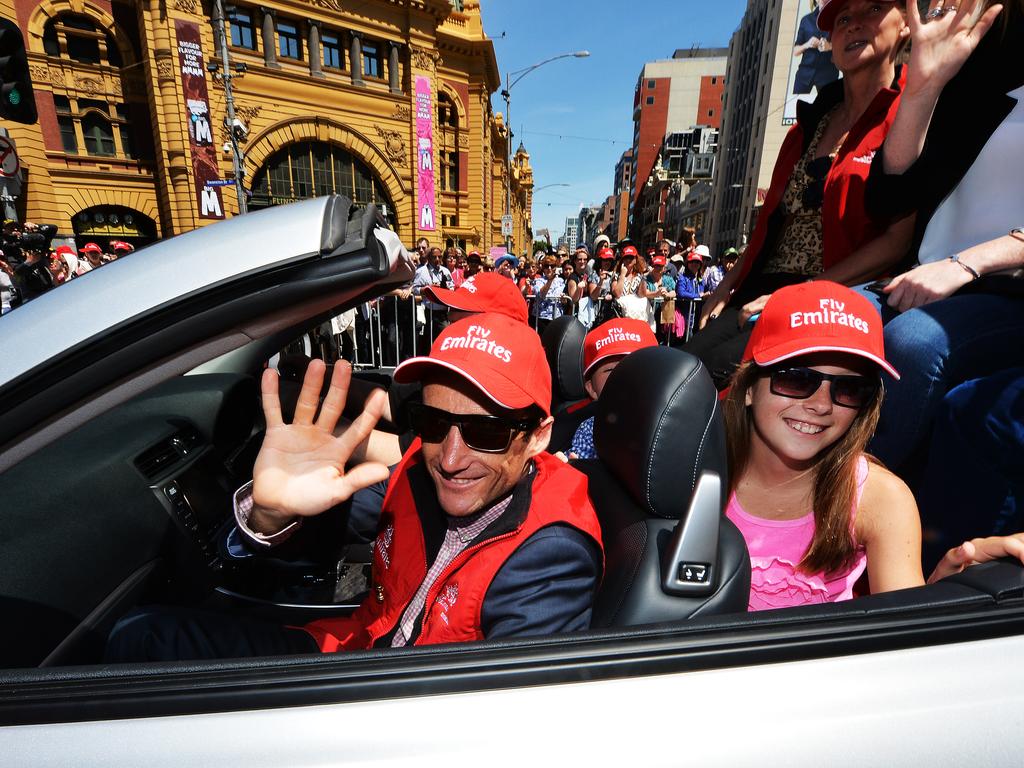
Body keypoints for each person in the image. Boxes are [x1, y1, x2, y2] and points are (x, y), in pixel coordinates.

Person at [106, 314, 604, 661]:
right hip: (350, 648)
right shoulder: (419, 468)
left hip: (383, 706)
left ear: (539, 436)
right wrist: (268, 517)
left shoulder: (550, 552)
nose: (451, 459)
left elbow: (495, 729)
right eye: (433, 421)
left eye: (487, 432)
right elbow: (314, 540)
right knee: (142, 636)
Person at [721, 281, 1024, 611]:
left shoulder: (878, 497)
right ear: (748, 387)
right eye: (796, 379)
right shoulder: (687, 469)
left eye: (850, 389)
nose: (821, 405)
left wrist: (950, 580)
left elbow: (905, 634)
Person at [687, 0, 916, 387]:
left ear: (907, 24)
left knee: (716, 381)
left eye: (873, 9)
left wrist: (802, 295)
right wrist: (726, 286)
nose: (854, 25)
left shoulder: (911, 113)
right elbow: (767, 224)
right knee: (673, 370)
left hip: (836, 296)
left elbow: (897, 241)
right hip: (763, 288)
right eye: (843, 19)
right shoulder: (804, 128)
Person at [858, 0, 1024, 474]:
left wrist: (966, 264)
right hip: (924, 275)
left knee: (915, 344)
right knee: (801, 322)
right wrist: (923, 86)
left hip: (1003, 290)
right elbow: (889, 199)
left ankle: (859, 515)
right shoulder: (967, 51)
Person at [568, 318, 658, 460]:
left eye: (637, 367)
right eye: (611, 370)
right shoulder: (591, 430)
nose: (625, 377)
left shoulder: (671, 426)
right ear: (591, 389)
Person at [793, 0, 841, 95]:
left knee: (828, 108)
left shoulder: (837, 21)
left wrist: (830, 46)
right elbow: (795, 51)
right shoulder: (806, 20)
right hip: (805, 74)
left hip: (828, 75)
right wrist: (807, 44)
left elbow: (844, 47)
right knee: (795, 105)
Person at [412, 246, 454, 341]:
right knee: (430, 340)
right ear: (429, 257)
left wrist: (447, 289)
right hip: (430, 312)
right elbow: (415, 290)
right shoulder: (422, 271)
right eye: (434, 257)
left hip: (444, 312)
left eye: (439, 257)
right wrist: (429, 289)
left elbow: (452, 287)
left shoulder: (445, 271)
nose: (437, 259)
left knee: (444, 338)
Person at [528, 255, 567, 334]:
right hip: (541, 318)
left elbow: (564, 300)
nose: (549, 268)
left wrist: (564, 299)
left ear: (555, 267)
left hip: (556, 317)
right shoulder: (538, 280)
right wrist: (550, 280)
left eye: (552, 266)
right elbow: (541, 294)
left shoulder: (561, 281)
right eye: (546, 266)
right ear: (543, 268)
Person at [612, 244, 649, 322]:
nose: (628, 260)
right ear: (622, 259)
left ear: (635, 260)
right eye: (626, 257)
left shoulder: (639, 276)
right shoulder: (616, 275)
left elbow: (642, 294)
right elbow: (617, 293)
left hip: (636, 316)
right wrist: (622, 275)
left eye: (631, 257)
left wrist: (643, 278)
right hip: (620, 315)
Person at [567, 246, 600, 328]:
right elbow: (574, 299)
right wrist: (579, 288)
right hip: (575, 316)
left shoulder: (589, 275)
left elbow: (594, 295)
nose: (582, 261)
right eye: (580, 259)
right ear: (575, 261)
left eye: (585, 259)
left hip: (588, 315)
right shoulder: (572, 277)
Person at [644, 253, 675, 338]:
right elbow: (645, 293)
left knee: (662, 336)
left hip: (664, 312)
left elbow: (674, 292)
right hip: (649, 312)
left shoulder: (668, 279)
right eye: (656, 266)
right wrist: (657, 293)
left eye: (660, 266)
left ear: (664, 268)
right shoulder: (646, 279)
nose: (658, 269)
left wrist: (667, 294)